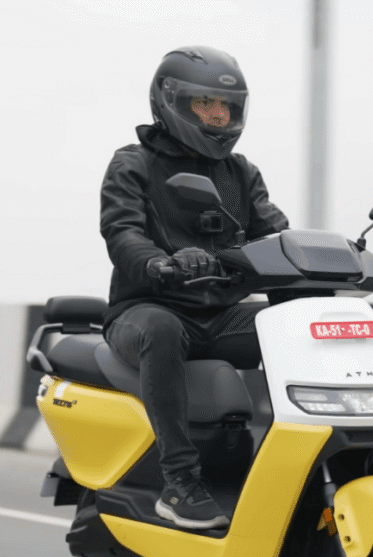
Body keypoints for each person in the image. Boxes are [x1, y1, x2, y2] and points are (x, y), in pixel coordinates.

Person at [99, 46, 288, 529]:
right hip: (146, 310)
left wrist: (322, 257)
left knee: (291, 324)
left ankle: (288, 468)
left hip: (219, 317)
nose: (218, 116)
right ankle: (180, 484)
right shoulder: (133, 164)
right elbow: (122, 233)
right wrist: (158, 263)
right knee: (160, 329)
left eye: (226, 106)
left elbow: (273, 234)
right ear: (171, 102)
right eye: (205, 104)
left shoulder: (240, 173)